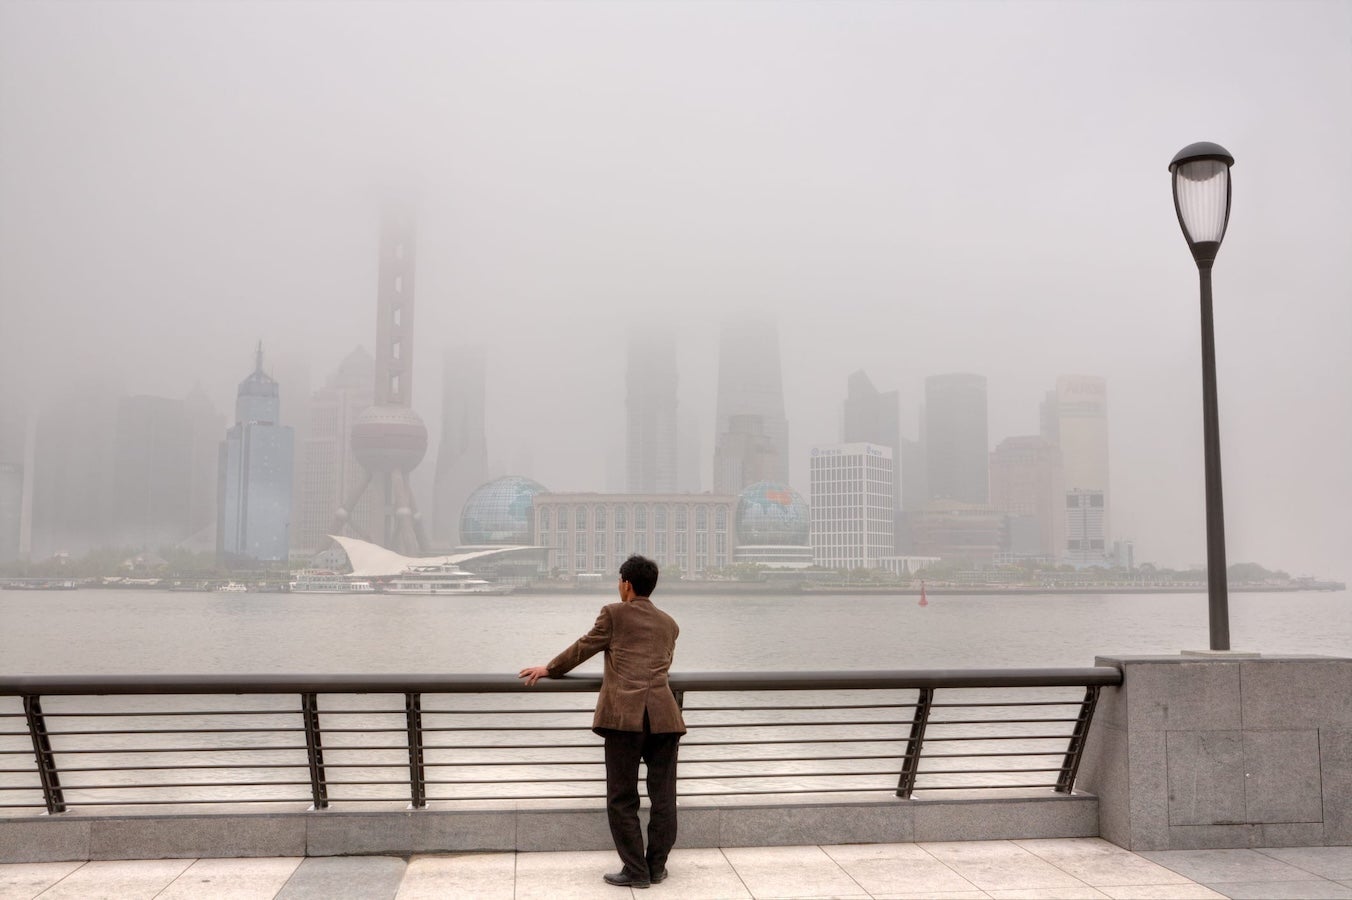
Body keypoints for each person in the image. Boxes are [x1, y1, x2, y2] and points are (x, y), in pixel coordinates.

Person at [519, 554, 684, 889]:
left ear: (626, 582)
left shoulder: (613, 613)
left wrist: (549, 669)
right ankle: (656, 867)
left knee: (622, 797)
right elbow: (663, 665)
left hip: (626, 718)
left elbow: (585, 647)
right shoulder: (669, 623)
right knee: (664, 797)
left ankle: (636, 871)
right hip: (666, 717)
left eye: (619, 580)